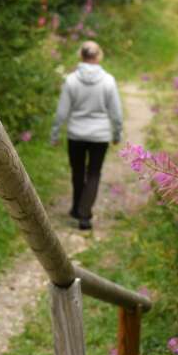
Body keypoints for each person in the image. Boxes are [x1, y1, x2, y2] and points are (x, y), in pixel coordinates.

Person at [49, 40, 123, 231]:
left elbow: (62, 111)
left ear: (81, 56)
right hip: (100, 136)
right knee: (94, 173)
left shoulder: (71, 80)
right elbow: (116, 112)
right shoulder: (108, 81)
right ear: (99, 56)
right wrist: (117, 133)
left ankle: (77, 208)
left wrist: (55, 133)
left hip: (76, 134)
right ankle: (84, 215)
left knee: (78, 172)